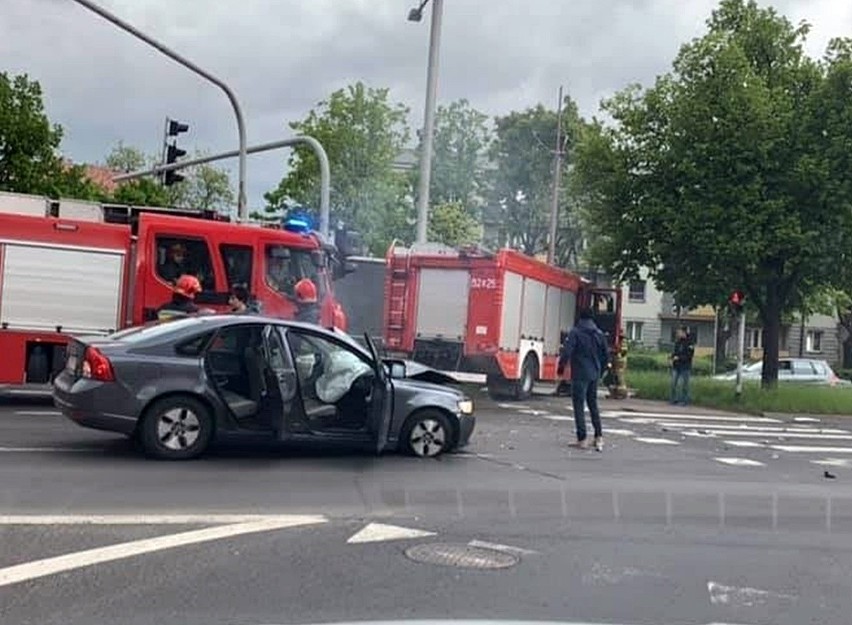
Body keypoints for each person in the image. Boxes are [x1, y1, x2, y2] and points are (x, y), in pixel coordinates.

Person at [557, 308, 610, 452]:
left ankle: (582, 439)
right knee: (593, 404)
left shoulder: (576, 332)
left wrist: (561, 368)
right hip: (595, 372)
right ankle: (598, 436)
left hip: (580, 372)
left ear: (580, 318)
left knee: (579, 405)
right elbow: (606, 354)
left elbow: (567, 351)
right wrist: (602, 370)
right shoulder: (598, 333)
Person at [670, 326, 695, 405]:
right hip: (676, 366)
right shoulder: (678, 342)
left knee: (684, 384)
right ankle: (674, 399)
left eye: (679, 332)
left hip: (685, 367)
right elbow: (675, 351)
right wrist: (671, 357)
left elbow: (689, 356)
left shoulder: (690, 342)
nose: (678, 334)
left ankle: (684, 400)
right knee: (673, 383)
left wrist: (679, 358)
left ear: (684, 332)